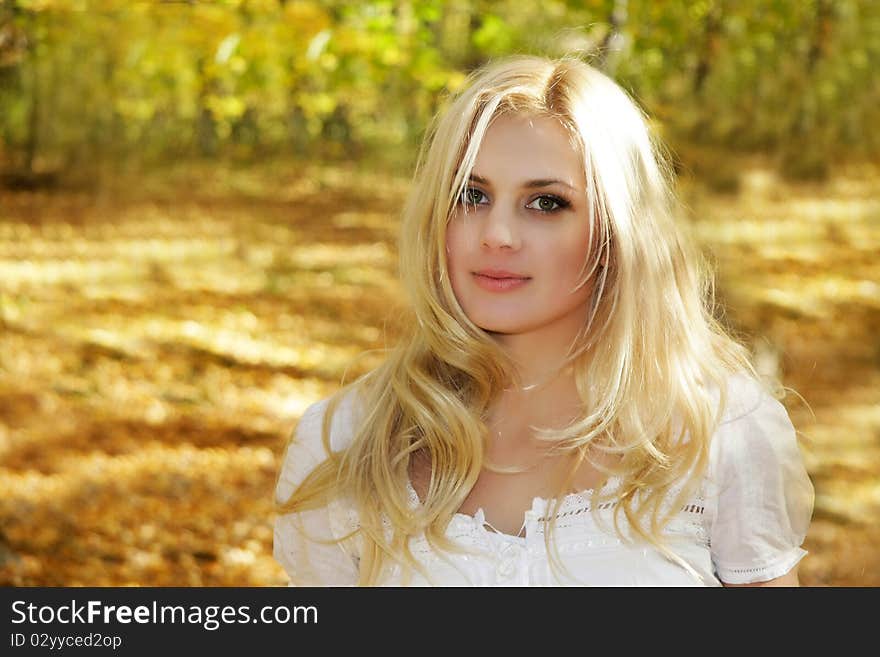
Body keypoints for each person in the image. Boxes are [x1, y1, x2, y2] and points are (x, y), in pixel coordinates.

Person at [273, 54, 814, 586]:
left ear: (614, 233)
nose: (497, 234)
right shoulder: (348, 442)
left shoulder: (717, 433)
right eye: (471, 195)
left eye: (547, 203)